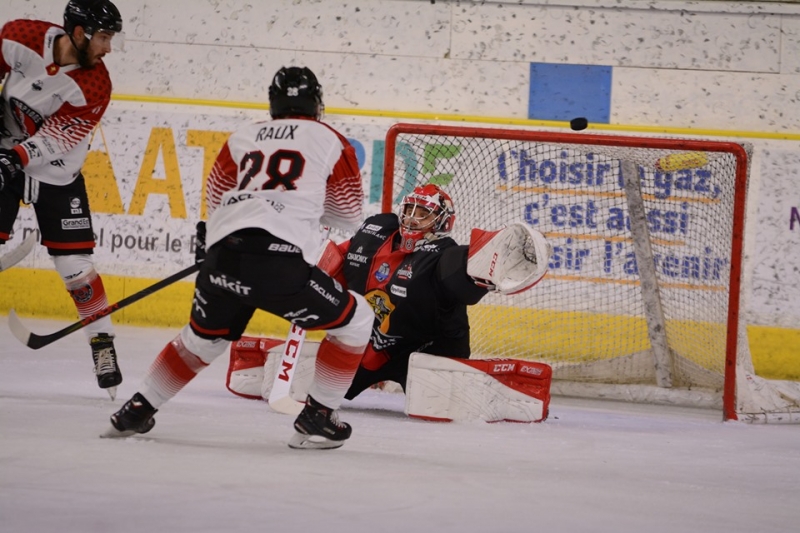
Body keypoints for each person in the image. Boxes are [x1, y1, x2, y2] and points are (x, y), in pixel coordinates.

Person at [105, 66, 374, 450]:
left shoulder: (243, 136)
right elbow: (347, 214)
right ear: (317, 104)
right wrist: (303, 206)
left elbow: (217, 199)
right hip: (279, 263)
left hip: (224, 254)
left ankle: (136, 409)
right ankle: (319, 416)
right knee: (356, 320)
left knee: (203, 341)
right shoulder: (330, 138)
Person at [314, 183, 550, 401]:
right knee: (324, 391)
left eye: (422, 214)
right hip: (375, 344)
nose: (412, 219)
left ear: (442, 222)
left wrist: (489, 269)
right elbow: (335, 263)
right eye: (409, 210)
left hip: (430, 349)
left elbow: (466, 278)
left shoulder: (446, 256)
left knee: (437, 405)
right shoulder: (375, 232)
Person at [0, 0, 124, 398]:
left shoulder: (95, 84)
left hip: (56, 173)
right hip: (5, 150)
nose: (108, 48)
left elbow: (58, 138)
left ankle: (103, 347)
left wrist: (14, 158)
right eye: (103, 37)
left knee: (75, 268)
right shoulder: (21, 36)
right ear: (78, 32)